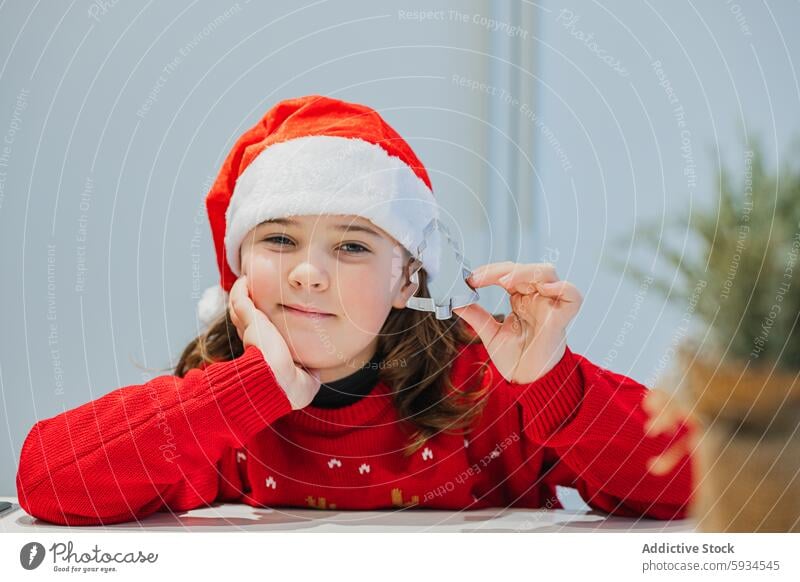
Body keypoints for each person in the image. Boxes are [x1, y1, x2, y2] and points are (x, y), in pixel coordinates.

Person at [16, 95, 696, 526]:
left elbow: (702, 485)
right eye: (279, 238)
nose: (309, 273)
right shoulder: (221, 411)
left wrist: (556, 388)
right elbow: (46, 483)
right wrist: (247, 392)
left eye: (351, 245)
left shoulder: (492, 393)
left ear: (408, 280)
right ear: (236, 272)